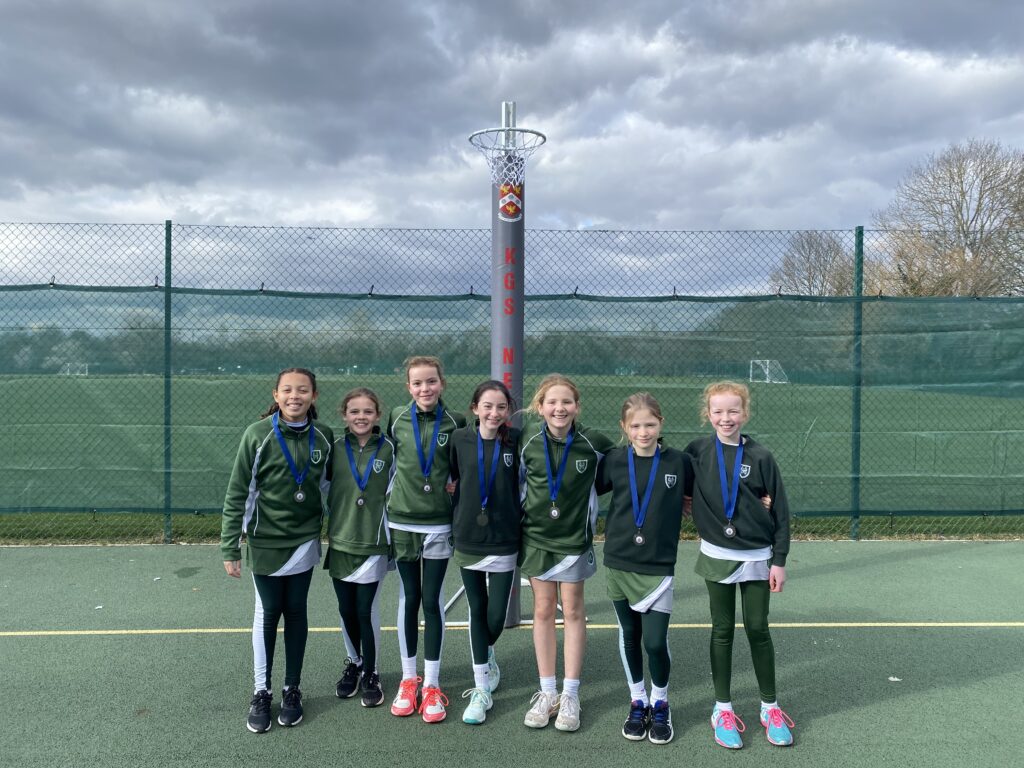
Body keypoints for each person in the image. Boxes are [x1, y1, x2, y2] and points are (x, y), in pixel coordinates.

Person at [221, 367, 333, 733]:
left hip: (304, 542)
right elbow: (238, 491)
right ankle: (261, 691)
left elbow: (335, 491)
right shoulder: (257, 435)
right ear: (275, 394)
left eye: (303, 390)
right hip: (265, 543)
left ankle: (292, 688)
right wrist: (229, 546)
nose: (294, 396)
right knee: (269, 614)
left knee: (297, 612)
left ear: (314, 396)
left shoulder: (324, 437)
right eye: (287, 390)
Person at [683, 381, 794, 749]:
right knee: (722, 630)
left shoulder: (761, 456)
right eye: (718, 411)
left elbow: (779, 510)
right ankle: (723, 708)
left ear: (744, 413)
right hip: (718, 555)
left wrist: (778, 561)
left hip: (758, 556)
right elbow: (677, 489)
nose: (725, 418)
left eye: (733, 411)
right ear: (708, 414)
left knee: (759, 629)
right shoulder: (697, 452)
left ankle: (770, 707)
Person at [517, 373, 614, 732]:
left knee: (573, 611)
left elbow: (632, 463)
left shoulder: (594, 442)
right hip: (536, 540)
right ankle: (547, 692)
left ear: (577, 406)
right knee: (542, 611)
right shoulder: (525, 440)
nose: (560, 408)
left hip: (574, 542)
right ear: (540, 407)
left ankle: (570, 695)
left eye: (567, 402)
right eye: (552, 402)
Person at [595, 393, 690, 745]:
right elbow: (584, 489)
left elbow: (706, 494)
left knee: (654, 641)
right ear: (624, 428)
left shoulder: (679, 462)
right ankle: (638, 701)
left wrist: (758, 501)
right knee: (630, 636)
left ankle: (661, 702)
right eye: (635, 425)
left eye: (650, 424)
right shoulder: (615, 461)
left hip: (658, 565)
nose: (643, 431)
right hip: (619, 560)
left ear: (661, 423)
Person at [386, 355, 466, 723]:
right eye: (417, 383)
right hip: (402, 522)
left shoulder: (456, 423)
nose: (425, 389)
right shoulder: (395, 419)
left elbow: (463, 468)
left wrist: (457, 483)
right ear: (408, 387)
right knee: (409, 598)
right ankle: (408, 679)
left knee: (431, 600)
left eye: (431, 381)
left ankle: (432, 684)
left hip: (438, 524)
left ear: (442, 383)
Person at [448, 380, 522, 725]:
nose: (494, 413)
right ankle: (481, 689)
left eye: (501, 407)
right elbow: (451, 478)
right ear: (475, 408)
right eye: (487, 406)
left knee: (495, 618)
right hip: (468, 537)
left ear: (508, 411)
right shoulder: (460, 439)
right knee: (476, 609)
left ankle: (486, 652)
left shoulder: (516, 441)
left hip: (505, 538)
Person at [326, 387, 395, 709]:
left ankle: (372, 671)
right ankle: (354, 663)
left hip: (373, 542)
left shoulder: (389, 449)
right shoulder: (334, 448)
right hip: (340, 540)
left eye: (368, 411)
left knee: (365, 610)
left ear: (377, 415)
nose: (361, 417)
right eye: (354, 411)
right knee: (345, 610)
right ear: (344, 415)